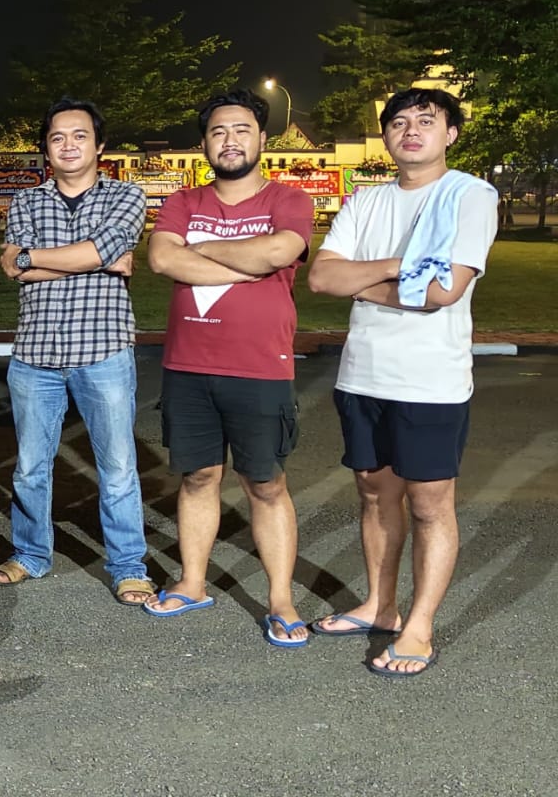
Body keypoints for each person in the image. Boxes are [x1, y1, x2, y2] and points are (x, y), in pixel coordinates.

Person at [307, 87, 497, 677]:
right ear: (386, 135)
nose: (410, 130)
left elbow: (443, 292)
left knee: (430, 505)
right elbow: (321, 279)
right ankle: (380, 605)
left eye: (426, 120)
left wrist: (360, 282)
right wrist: (400, 265)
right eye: (399, 122)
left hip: (430, 381)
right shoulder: (366, 201)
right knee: (372, 493)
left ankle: (419, 627)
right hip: (363, 374)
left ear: (451, 134)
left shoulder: (469, 195)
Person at [145, 90, 314, 645]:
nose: (230, 140)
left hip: (260, 367)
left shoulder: (288, 199)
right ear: (204, 143)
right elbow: (162, 257)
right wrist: (249, 263)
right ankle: (192, 582)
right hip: (188, 366)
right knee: (198, 477)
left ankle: (281, 599)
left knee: (265, 483)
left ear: (262, 139)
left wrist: (200, 250)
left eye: (242, 130)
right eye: (218, 131)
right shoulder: (183, 201)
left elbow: (279, 252)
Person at [0, 98, 153, 605]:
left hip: (103, 349)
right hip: (35, 352)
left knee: (118, 467)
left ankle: (128, 566)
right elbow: (13, 268)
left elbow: (88, 251)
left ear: (100, 146)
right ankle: (30, 553)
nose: (68, 145)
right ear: (46, 148)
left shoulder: (126, 195)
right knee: (29, 467)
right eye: (57, 137)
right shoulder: (26, 201)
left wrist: (35, 258)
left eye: (80, 136)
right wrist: (97, 260)